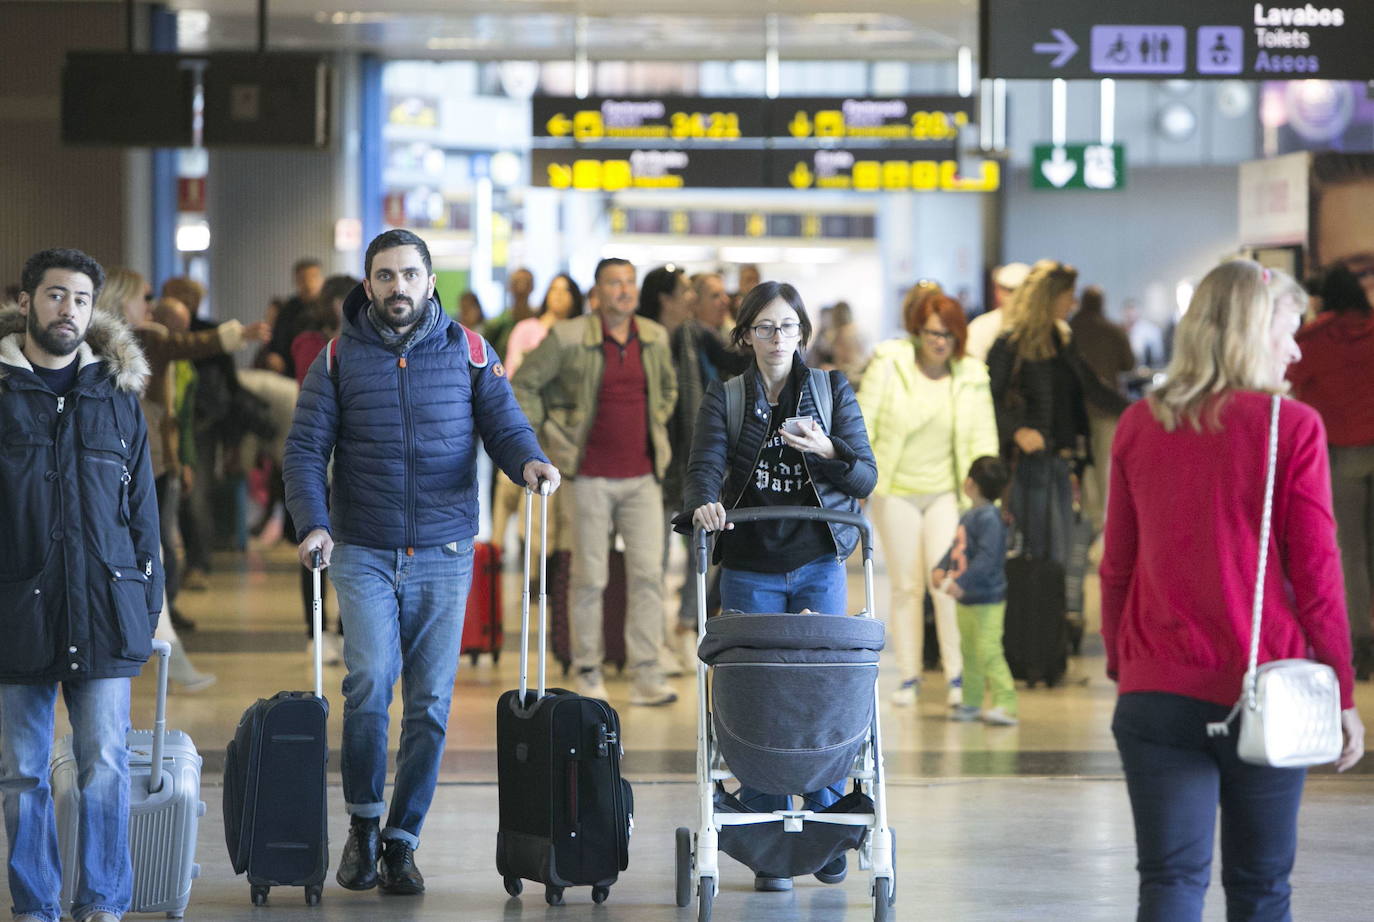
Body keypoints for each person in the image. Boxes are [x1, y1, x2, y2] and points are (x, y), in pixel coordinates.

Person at [284, 229, 557, 895]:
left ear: (431, 283)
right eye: (385, 276)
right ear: (368, 284)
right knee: (371, 684)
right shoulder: (337, 358)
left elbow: (504, 423)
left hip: (444, 549)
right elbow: (303, 449)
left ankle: (403, 840)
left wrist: (529, 461)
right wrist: (313, 525)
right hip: (364, 548)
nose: (397, 287)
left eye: (410, 275)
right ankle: (364, 823)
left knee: (431, 702)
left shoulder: (468, 351)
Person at [1102, 259, 1365, 920]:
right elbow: (1317, 576)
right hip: (1265, 687)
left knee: (1168, 881)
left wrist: (1123, 663)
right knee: (1260, 888)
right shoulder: (1290, 426)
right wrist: (1342, 689)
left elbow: (1118, 566)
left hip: (1155, 689)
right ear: (1252, 330)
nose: (1298, 347)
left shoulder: (1140, 424)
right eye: (1289, 329)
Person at [683, 280, 876, 892]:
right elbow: (704, 465)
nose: (777, 338)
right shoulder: (728, 395)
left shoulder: (830, 389)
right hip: (749, 561)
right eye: (764, 327)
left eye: (788, 327)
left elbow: (866, 475)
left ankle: (819, 826)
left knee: (818, 689)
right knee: (758, 693)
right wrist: (704, 505)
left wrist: (828, 448)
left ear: (803, 334)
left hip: (818, 557)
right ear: (745, 335)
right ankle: (771, 843)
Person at [0, 248, 164, 922]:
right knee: (21, 773)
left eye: (80, 300)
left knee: (105, 765)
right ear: (28, 301)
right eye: (55, 296)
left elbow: (142, 515)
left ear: (93, 312)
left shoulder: (115, 398)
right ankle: (35, 905)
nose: (68, 309)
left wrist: (145, 608)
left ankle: (102, 903)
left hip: (104, 608)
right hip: (17, 610)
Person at [512, 257, 679, 707]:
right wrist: (545, 439)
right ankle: (588, 669)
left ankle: (646, 672)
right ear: (597, 292)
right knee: (589, 577)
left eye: (629, 282)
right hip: (585, 475)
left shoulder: (655, 337)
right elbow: (524, 384)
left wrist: (656, 423)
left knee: (649, 575)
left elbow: (667, 391)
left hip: (643, 475)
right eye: (614, 283)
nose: (623, 291)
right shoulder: (567, 338)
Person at [859, 291, 999, 708]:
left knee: (946, 584)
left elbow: (983, 437)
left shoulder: (971, 374)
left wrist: (985, 493)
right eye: (931, 333)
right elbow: (862, 420)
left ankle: (957, 678)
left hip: (948, 492)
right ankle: (909, 676)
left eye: (948, 334)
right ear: (917, 332)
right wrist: (857, 477)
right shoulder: (889, 364)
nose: (940, 342)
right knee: (905, 586)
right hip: (895, 490)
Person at [988, 262, 1126, 570]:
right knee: (1038, 553)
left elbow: (1091, 386)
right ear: (1049, 297)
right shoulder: (1009, 343)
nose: (1072, 303)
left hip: (1059, 460)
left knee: (1056, 553)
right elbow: (989, 399)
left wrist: (1141, 411)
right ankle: (1037, 616)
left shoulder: (1061, 340)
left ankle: (1049, 615)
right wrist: (1017, 430)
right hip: (1025, 463)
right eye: (1068, 295)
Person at [1288, 264, 1374, 680]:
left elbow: (1288, 376)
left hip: (1343, 453)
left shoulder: (1315, 338)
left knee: (1350, 551)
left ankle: (1361, 640)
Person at [286, 274, 359, 667]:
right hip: (317, 446)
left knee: (350, 546)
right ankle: (315, 632)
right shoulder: (311, 345)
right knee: (314, 539)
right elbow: (308, 392)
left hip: (354, 453)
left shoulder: (366, 345)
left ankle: (347, 629)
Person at [491, 273, 584, 554]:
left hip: (561, 431)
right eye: (553, 289)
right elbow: (511, 374)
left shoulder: (579, 333)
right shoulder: (527, 328)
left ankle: (539, 571)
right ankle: (495, 560)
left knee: (548, 510)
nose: (558, 295)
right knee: (509, 494)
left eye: (565, 291)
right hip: (523, 423)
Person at [933, 457, 1018, 726]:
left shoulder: (990, 519)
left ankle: (1006, 703)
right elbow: (958, 547)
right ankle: (972, 701)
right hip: (968, 601)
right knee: (969, 651)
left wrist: (962, 582)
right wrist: (941, 566)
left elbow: (987, 558)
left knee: (989, 650)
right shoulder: (971, 515)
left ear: (970, 483)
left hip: (987, 600)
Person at [1068, 285, 1136, 531]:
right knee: (1105, 468)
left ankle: (1090, 520)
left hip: (1077, 411)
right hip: (1107, 410)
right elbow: (1129, 363)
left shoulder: (1069, 330)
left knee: (1085, 469)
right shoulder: (1113, 330)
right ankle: (1105, 527)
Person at [262, 258, 325, 379]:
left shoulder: (329, 309)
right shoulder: (288, 309)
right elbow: (276, 340)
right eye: (303, 279)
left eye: (314, 277)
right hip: (289, 373)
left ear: (322, 280)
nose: (309, 283)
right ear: (295, 281)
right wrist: (274, 355)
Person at [965, 262, 1031, 362]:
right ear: (997, 291)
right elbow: (973, 368)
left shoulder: (1049, 327)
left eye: (1020, 291)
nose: (1015, 297)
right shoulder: (980, 326)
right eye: (1009, 291)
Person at [481, 267, 536, 363]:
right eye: (517, 282)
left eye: (525, 282)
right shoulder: (497, 324)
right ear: (509, 287)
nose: (521, 286)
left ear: (532, 287)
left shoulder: (539, 322)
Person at [636, 264, 694, 333]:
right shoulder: (640, 339)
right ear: (665, 300)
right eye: (685, 291)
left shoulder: (691, 336)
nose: (694, 296)